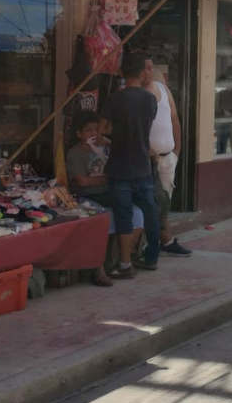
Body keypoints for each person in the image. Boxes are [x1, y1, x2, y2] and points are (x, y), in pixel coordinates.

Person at [100, 51, 161, 279]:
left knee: (124, 216)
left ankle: (125, 265)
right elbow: (145, 125)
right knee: (150, 211)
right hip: (143, 165)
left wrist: (114, 133)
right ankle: (152, 256)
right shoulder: (150, 99)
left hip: (120, 167)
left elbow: (102, 129)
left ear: (123, 73)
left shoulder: (116, 98)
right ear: (141, 72)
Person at [144, 56, 190, 258]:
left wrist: (177, 151)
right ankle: (154, 243)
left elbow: (174, 119)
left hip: (168, 158)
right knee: (151, 203)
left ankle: (162, 241)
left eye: (151, 68)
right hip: (146, 161)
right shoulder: (133, 94)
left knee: (164, 204)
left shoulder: (164, 90)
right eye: (146, 68)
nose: (149, 72)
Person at [65, 112, 117, 287]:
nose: (93, 134)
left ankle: (117, 262)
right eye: (88, 130)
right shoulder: (75, 153)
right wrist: (108, 178)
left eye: (97, 129)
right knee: (101, 219)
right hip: (85, 197)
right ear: (79, 134)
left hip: (108, 194)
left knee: (136, 213)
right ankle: (98, 269)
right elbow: (82, 181)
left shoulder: (108, 148)